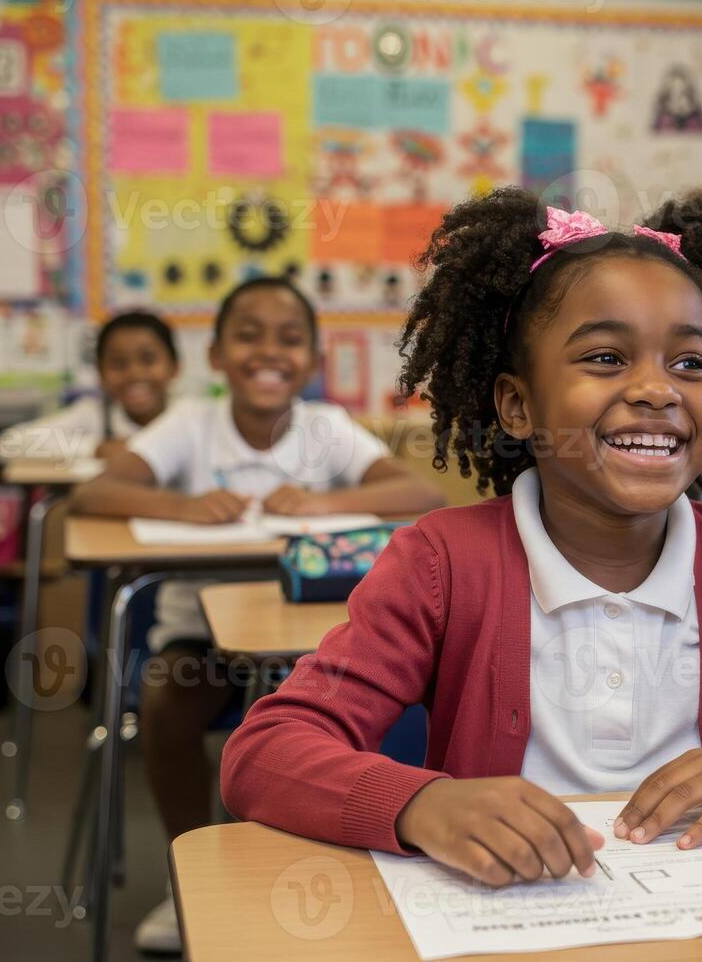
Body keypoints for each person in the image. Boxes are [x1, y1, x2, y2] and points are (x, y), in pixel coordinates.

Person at [219, 189, 702, 888]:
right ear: (517, 406)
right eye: (606, 358)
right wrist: (420, 805)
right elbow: (267, 752)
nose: (657, 390)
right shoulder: (442, 564)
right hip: (513, 915)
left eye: (690, 362)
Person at [71, 277, 444, 953]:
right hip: (200, 639)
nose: (268, 352)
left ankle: (324, 872)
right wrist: (183, 506)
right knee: (163, 698)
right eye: (247, 336)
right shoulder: (189, 425)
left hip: (319, 640)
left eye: (289, 339)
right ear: (215, 356)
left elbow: (417, 489)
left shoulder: (324, 430)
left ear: (312, 360)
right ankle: (185, 871)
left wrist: (316, 504)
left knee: (352, 715)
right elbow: (97, 492)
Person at [0, 309, 178, 463]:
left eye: (148, 360)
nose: (134, 374)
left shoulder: (191, 417)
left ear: (175, 366)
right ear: (100, 373)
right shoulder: (94, 415)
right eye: (118, 364)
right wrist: (97, 449)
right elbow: (9, 444)